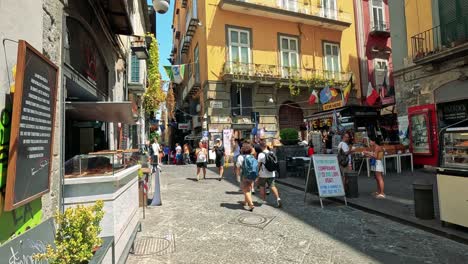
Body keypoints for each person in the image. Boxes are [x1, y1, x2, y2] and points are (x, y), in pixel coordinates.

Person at [257, 142, 282, 208]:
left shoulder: (261, 154)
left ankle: (263, 200)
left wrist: (257, 173)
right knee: (273, 186)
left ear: (261, 147)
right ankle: (278, 198)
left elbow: (258, 165)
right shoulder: (272, 153)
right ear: (266, 146)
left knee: (262, 186)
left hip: (263, 174)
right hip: (271, 173)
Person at [236, 143, 257, 212]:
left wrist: (238, 175)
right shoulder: (252, 157)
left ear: (242, 150)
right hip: (252, 175)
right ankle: (245, 202)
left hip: (245, 175)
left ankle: (251, 204)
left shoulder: (240, 157)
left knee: (245, 189)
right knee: (249, 188)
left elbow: (238, 167)